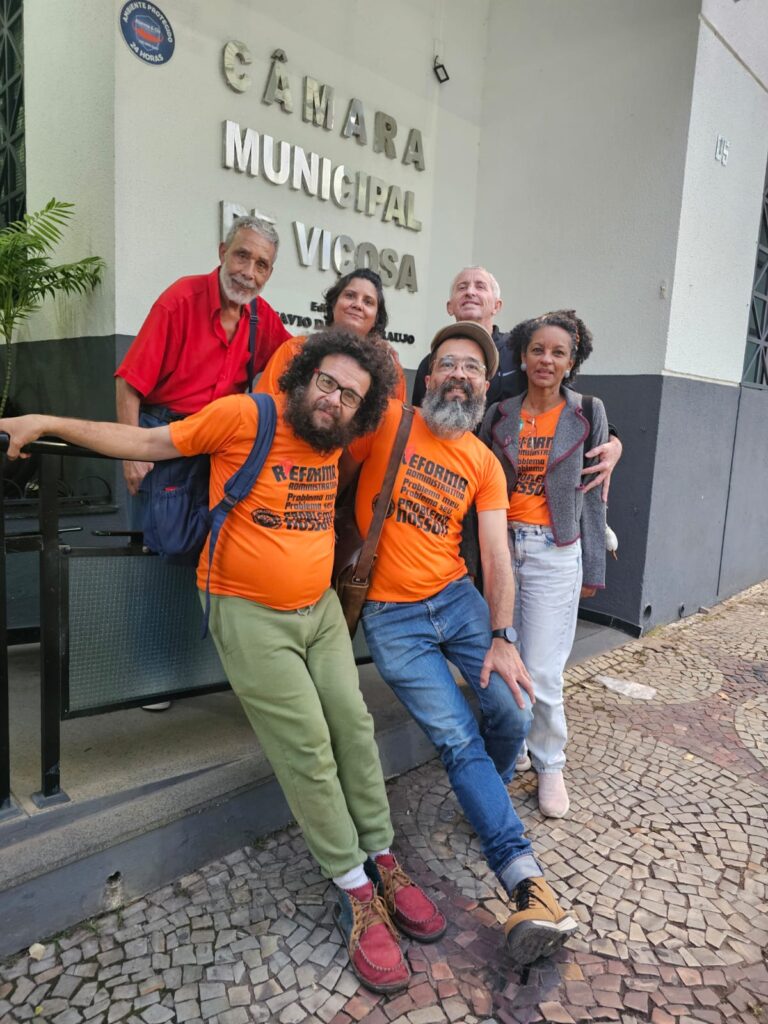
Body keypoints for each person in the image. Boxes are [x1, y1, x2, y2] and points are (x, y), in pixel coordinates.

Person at [0, 330, 446, 995]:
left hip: (319, 610)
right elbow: (146, 442)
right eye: (326, 382)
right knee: (307, 746)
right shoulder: (245, 415)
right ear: (304, 375)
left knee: (353, 726)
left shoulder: (334, 439)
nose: (333, 399)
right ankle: (354, 887)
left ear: (361, 409)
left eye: (350, 395)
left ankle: (382, 856)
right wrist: (45, 421)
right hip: (247, 610)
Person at [342, 321, 579, 966]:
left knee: (514, 711)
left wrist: (503, 637)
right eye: (449, 363)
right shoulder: (388, 422)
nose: (459, 375)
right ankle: (526, 884)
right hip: (393, 616)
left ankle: (487, 791)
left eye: (473, 368)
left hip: (457, 600)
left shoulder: (483, 463)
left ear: (484, 386)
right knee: (457, 739)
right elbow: (328, 461)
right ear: (428, 376)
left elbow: (496, 555)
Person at [116, 214, 291, 709]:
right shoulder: (179, 300)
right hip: (163, 437)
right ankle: (152, 675)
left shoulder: (262, 319)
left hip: (218, 445)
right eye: (242, 255)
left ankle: (205, 670)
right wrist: (131, 452)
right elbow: (129, 383)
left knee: (218, 554)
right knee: (161, 554)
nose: (249, 272)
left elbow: (295, 364)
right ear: (221, 252)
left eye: (261, 264)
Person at [479, 310, 607, 819]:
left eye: (558, 352)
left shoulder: (588, 411)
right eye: (537, 350)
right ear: (522, 355)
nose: (546, 360)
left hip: (555, 550)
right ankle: (512, 747)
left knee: (544, 670)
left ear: (571, 361)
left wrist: (593, 566)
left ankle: (550, 762)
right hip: (502, 547)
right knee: (504, 658)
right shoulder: (498, 414)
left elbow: (594, 496)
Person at [411, 266, 621, 501]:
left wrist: (612, 440)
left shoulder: (520, 351)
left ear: (497, 305)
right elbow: (421, 423)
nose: (470, 292)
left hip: (510, 485)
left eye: (480, 286)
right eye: (462, 287)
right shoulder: (431, 364)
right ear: (449, 306)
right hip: (448, 480)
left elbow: (563, 399)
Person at [257, 267, 406, 401]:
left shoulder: (389, 370)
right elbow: (261, 409)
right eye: (350, 295)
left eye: (368, 302)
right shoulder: (295, 350)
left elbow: (395, 420)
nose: (357, 305)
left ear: (376, 318)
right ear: (333, 304)